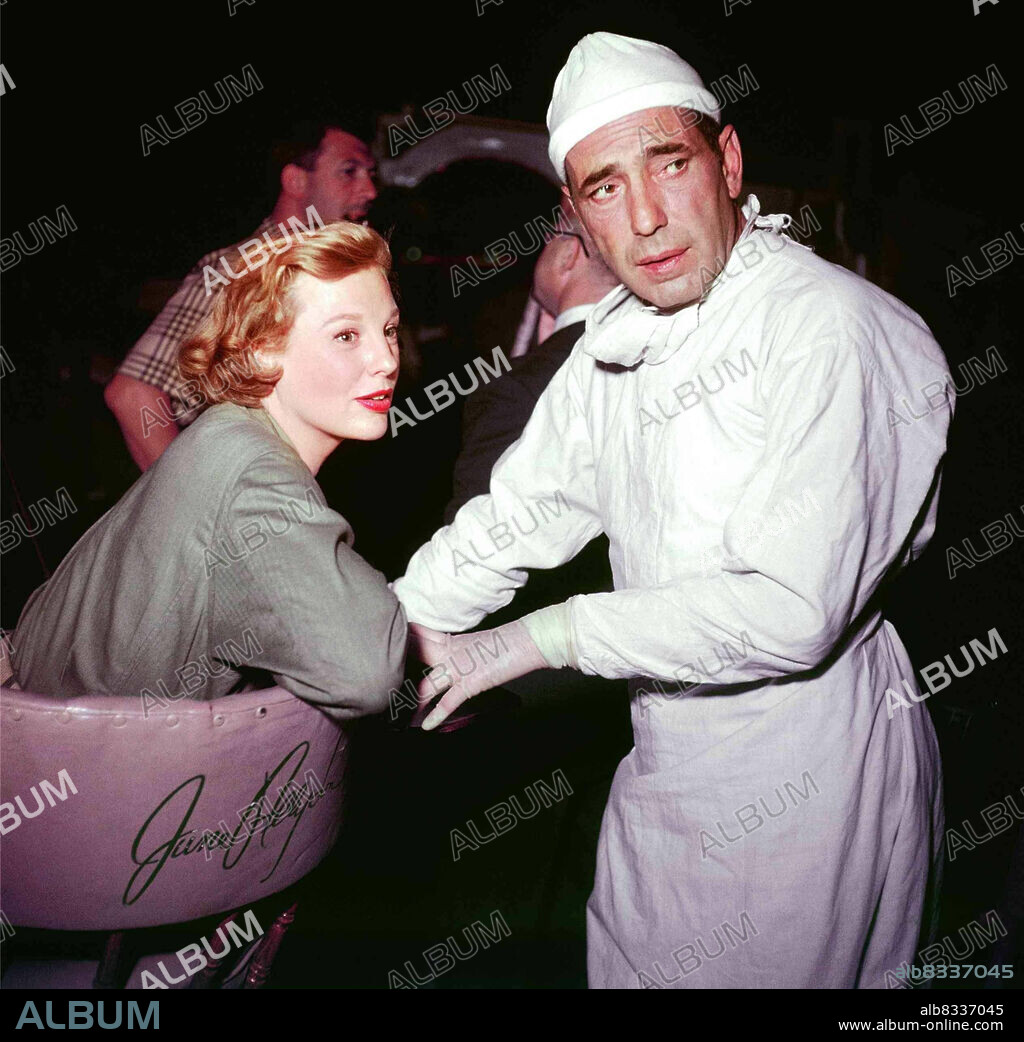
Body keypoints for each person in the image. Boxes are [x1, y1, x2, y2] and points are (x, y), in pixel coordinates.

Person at [392, 32, 952, 988]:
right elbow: (520, 511)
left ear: (727, 162)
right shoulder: (617, 342)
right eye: (606, 188)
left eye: (670, 164)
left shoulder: (828, 329)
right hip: (664, 761)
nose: (647, 218)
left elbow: (789, 611)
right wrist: (391, 631)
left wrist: (539, 638)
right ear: (574, 215)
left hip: (809, 775)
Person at [12, 222, 406, 722]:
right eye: (346, 335)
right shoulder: (254, 476)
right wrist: (400, 625)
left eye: (388, 330)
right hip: (103, 760)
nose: (385, 360)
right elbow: (365, 674)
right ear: (261, 349)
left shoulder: (224, 433)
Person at [105, 122, 379, 471]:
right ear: (295, 181)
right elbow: (133, 393)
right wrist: (194, 496)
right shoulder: (244, 267)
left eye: (371, 174)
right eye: (349, 171)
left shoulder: (324, 273)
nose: (370, 190)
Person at [445, 208, 619, 522]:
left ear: (568, 255)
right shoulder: (661, 356)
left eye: (550, 239)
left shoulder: (514, 389)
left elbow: (478, 531)